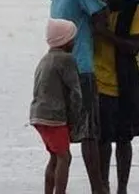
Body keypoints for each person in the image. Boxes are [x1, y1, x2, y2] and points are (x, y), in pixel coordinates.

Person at [50, 0, 115, 194]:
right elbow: (103, 19)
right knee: (89, 132)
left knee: (60, 133)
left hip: (60, 66)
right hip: (81, 67)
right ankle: (98, 188)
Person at [94, 0, 139, 194]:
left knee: (124, 138)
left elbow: (133, 46)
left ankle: (122, 188)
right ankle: (103, 186)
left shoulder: (135, 10)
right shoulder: (94, 9)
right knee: (102, 140)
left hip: (126, 82)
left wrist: (105, 33)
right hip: (99, 82)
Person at [30, 19, 84, 194]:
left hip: (37, 115)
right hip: (54, 117)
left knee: (55, 156)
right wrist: (76, 120)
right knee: (64, 157)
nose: (75, 42)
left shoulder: (45, 59)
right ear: (66, 40)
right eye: (73, 38)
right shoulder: (66, 59)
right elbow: (76, 93)